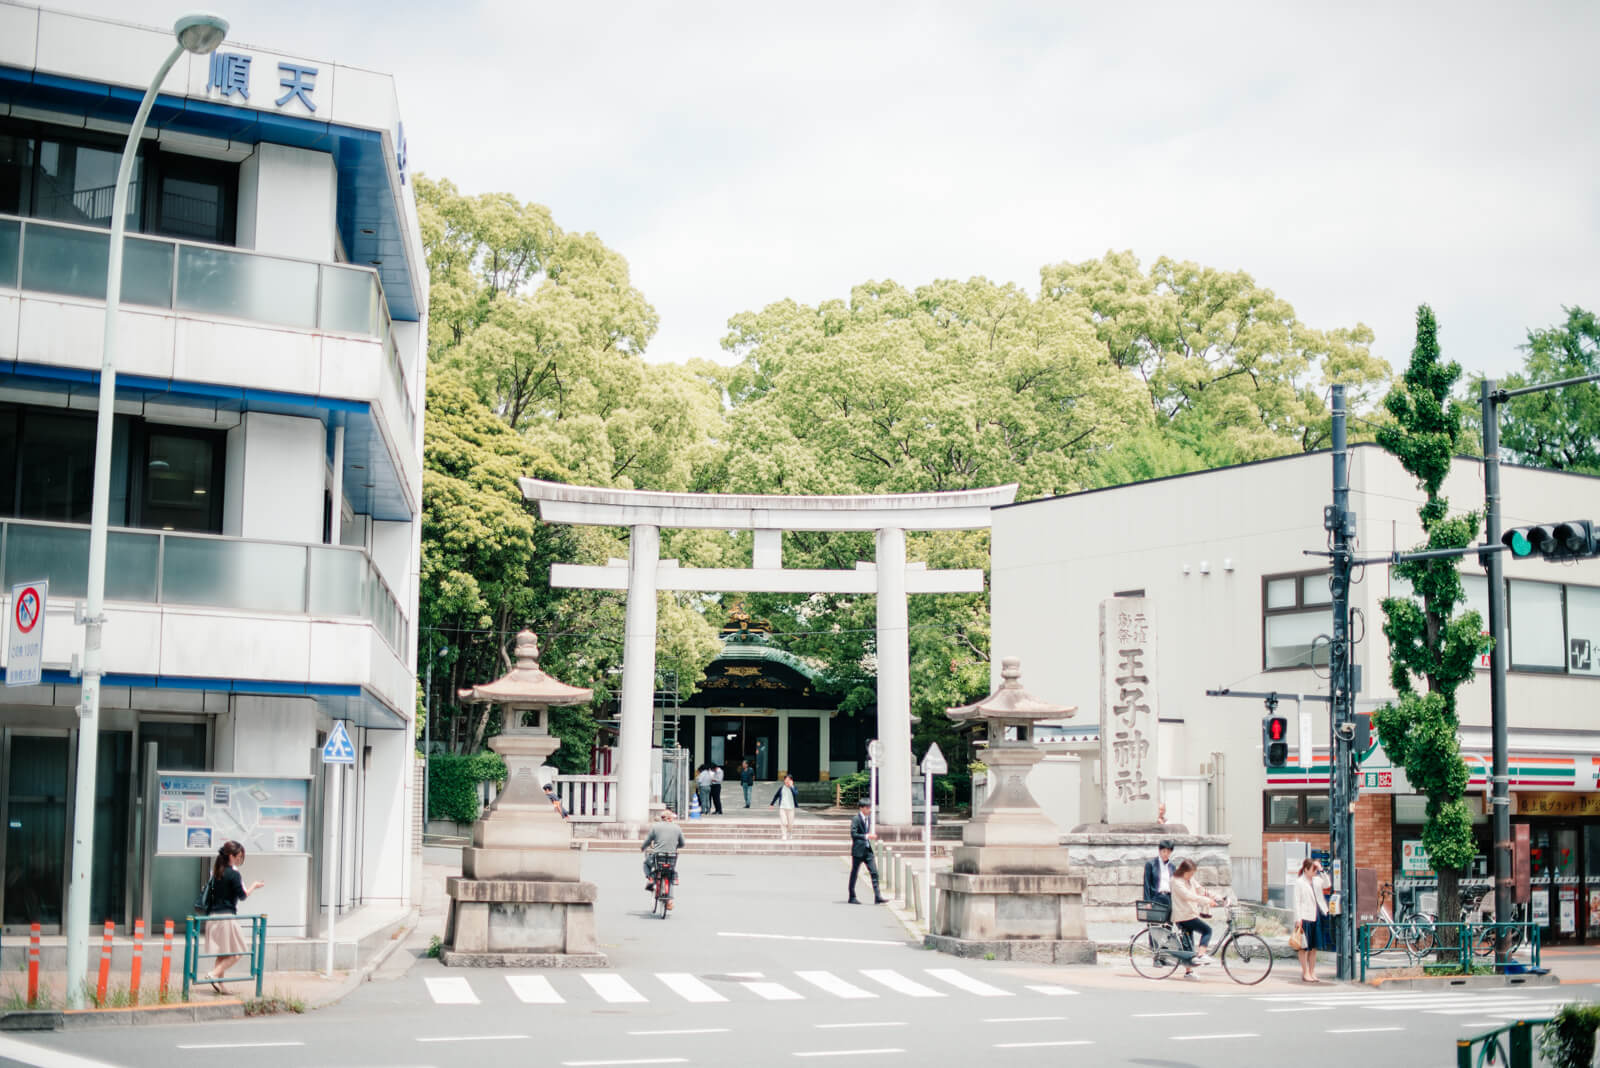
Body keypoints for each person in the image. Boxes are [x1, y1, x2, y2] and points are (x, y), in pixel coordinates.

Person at [201, 840, 263, 993]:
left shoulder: (216, 873)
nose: (239, 860)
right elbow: (243, 896)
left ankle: (220, 984)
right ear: (231, 856)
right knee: (238, 952)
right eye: (238, 857)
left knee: (223, 954)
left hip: (212, 917)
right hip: (226, 918)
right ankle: (213, 974)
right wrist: (254, 886)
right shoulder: (233, 874)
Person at [1170, 858, 1221, 978]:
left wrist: (1218, 897)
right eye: (1190, 873)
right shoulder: (1176, 881)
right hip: (1183, 915)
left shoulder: (1190, 879)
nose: (1191, 876)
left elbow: (1201, 890)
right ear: (1183, 871)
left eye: (1192, 873)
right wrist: (1207, 901)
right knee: (1207, 930)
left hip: (1190, 914)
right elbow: (1188, 896)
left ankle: (1189, 972)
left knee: (1188, 945)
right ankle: (1201, 955)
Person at [641, 808, 685, 908]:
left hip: (658, 857)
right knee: (670, 874)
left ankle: (651, 878)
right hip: (671, 857)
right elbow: (682, 843)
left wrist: (643, 847)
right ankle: (669, 901)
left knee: (646, 863)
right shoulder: (677, 828)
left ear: (662, 818)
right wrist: (675, 846)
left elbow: (648, 840)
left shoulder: (656, 827)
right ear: (670, 818)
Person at [1295, 857, 1328, 983]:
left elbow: (1327, 884)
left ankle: (1312, 971)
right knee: (1304, 947)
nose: (1315, 872)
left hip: (1317, 915)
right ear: (1306, 869)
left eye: (1316, 870)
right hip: (1305, 916)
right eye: (1313, 869)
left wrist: (1321, 870)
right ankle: (1305, 972)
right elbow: (1297, 901)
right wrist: (1298, 919)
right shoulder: (1300, 882)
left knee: (1314, 947)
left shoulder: (1317, 880)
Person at [848, 798, 888, 904]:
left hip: (867, 849)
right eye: (867, 808)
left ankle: (877, 896)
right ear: (862, 808)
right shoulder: (856, 819)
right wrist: (866, 836)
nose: (869, 810)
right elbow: (853, 834)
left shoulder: (868, 819)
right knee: (854, 873)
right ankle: (852, 896)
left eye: (870, 807)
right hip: (858, 850)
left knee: (874, 872)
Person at [1143, 839, 1175, 908]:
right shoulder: (1151, 864)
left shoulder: (1172, 866)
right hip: (1156, 898)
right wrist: (1147, 902)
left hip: (1168, 898)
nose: (1166, 854)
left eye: (1168, 852)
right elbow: (1147, 884)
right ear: (1159, 851)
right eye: (1164, 851)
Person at [770, 774, 799, 840]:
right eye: (786, 779)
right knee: (784, 822)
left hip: (791, 808)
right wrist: (772, 804)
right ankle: (784, 835)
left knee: (790, 823)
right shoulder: (781, 788)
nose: (787, 781)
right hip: (782, 808)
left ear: (791, 781)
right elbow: (776, 796)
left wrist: (791, 786)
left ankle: (790, 832)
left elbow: (795, 794)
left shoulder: (793, 788)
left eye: (788, 780)